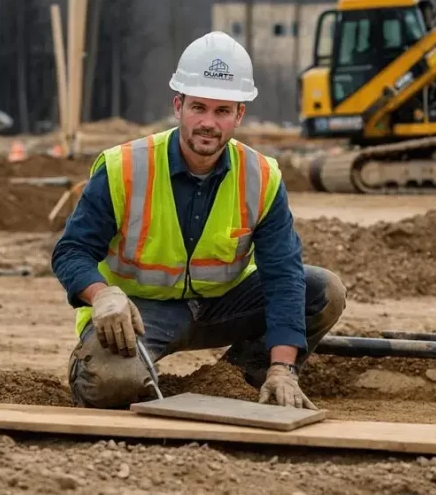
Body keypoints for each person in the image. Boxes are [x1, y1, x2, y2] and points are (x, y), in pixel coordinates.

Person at [51, 31, 346, 410]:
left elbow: (283, 274)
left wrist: (283, 367)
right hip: (140, 314)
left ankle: (243, 377)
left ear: (239, 114)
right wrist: (101, 294)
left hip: (224, 306)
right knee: (109, 386)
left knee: (323, 290)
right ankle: (102, 367)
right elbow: (71, 250)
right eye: (199, 108)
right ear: (178, 106)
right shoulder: (124, 167)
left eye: (222, 111)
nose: (208, 122)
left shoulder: (260, 176)